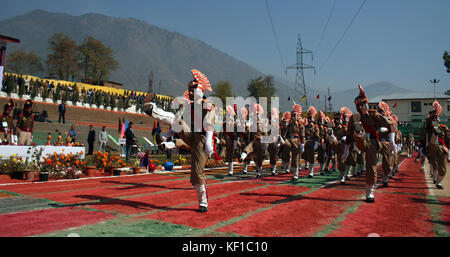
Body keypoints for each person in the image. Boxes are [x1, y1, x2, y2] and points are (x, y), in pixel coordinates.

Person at [144, 69, 216, 213]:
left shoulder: (208, 105)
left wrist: (209, 141)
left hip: (202, 139)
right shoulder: (189, 106)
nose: (190, 91)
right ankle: (152, 110)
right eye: (189, 89)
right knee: (175, 118)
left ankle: (203, 202)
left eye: (193, 88)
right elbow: (180, 123)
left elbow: (209, 124)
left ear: (200, 89)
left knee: (196, 173)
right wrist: (167, 133)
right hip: (192, 135)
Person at [342, 84, 396, 203]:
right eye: (357, 105)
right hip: (359, 141)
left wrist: (392, 141)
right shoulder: (354, 118)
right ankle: (359, 133)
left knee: (372, 166)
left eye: (362, 104)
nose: (360, 107)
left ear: (366, 104)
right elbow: (349, 135)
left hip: (372, 142)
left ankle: (369, 191)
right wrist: (346, 151)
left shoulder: (374, 114)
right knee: (356, 129)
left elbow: (390, 124)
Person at [426, 101, 449, 189]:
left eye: (437, 116)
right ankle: (436, 180)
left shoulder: (444, 128)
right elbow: (431, 123)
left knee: (443, 168)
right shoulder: (430, 125)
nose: (436, 118)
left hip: (441, 148)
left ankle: (439, 181)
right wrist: (433, 113)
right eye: (434, 117)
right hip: (432, 146)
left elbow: (447, 139)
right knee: (434, 163)